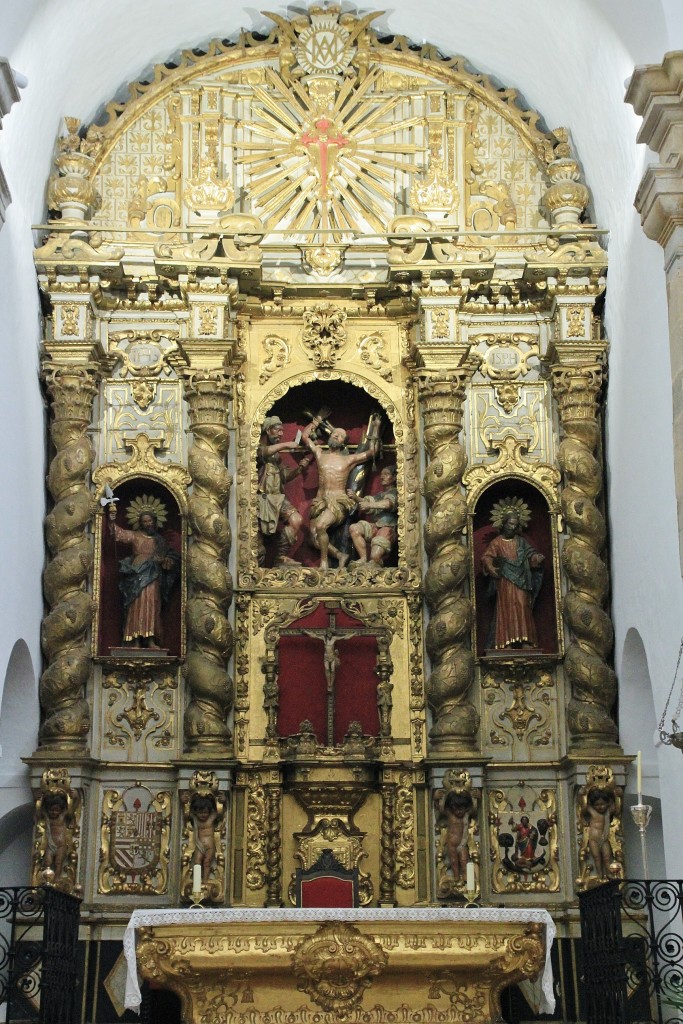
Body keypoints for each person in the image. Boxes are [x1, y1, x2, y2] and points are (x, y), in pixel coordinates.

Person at [303, 415, 378, 569]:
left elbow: (372, 452)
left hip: (338, 501)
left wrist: (375, 427)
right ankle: (339, 555)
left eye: (341, 436)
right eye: (335, 434)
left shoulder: (348, 460)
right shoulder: (319, 454)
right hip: (320, 500)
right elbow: (305, 436)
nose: (337, 436)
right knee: (312, 537)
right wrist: (316, 421)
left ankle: (323, 563)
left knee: (321, 526)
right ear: (330, 436)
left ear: (344, 442)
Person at [108, 500, 180, 648]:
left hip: (153, 576)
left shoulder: (159, 541)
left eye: (150, 521)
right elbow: (118, 533)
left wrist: (165, 561)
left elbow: (171, 557)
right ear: (140, 523)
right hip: (136, 575)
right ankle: (134, 640)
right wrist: (112, 518)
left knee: (152, 605)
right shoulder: (135, 536)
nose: (148, 524)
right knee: (136, 606)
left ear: (154, 521)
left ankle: (150, 639)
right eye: (144, 521)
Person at [481, 506, 544, 650]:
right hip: (505, 580)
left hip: (522, 580)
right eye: (510, 524)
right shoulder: (497, 542)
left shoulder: (521, 541)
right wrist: (491, 567)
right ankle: (505, 642)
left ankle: (525, 640)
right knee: (507, 608)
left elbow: (530, 555)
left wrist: (536, 558)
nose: (512, 527)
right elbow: (486, 557)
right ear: (503, 524)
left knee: (522, 605)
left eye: (515, 525)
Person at [257, 415, 313, 565]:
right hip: (261, 499)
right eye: (278, 430)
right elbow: (262, 452)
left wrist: (300, 468)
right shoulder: (257, 449)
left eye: (283, 431)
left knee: (296, 520)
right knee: (257, 543)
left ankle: (280, 557)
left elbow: (284, 476)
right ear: (268, 430)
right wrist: (287, 444)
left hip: (277, 497)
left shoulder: (276, 456)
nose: (281, 434)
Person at [349, 464, 398, 568]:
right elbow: (367, 501)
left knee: (375, 557)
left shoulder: (396, 492)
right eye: (381, 474)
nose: (382, 477)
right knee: (354, 528)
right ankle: (363, 558)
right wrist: (355, 497)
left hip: (387, 528)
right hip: (376, 527)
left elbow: (388, 503)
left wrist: (370, 505)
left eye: (386, 474)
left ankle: (376, 563)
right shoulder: (379, 495)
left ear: (394, 477)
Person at [443, 790, 473, 883]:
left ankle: (465, 877)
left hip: (462, 843)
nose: (459, 812)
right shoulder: (450, 815)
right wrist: (437, 797)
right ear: (452, 808)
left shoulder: (466, 815)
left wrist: (476, 796)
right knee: (454, 861)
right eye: (456, 809)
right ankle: (456, 877)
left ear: (466, 808)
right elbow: (441, 808)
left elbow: (474, 808)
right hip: (451, 843)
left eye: (462, 809)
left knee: (464, 860)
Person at [584, 787, 615, 880]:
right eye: (597, 805)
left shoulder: (607, 813)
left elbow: (615, 806)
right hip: (593, 838)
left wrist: (617, 794)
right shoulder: (593, 812)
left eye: (602, 804)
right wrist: (583, 794)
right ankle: (599, 874)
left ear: (607, 804)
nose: (600, 807)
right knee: (597, 857)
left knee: (607, 857)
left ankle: (609, 874)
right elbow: (584, 805)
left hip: (604, 838)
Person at [190, 793, 218, 884]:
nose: (203, 815)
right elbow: (187, 813)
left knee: (207, 863)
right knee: (197, 862)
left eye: (205, 812)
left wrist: (222, 800)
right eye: (200, 813)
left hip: (210, 846)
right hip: (199, 845)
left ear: (209, 812)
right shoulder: (195, 819)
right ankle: (197, 882)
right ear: (195, 812)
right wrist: (184, 800)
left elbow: (220, 812)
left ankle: (205, 881)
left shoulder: (211, 818)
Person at [42, 792, 69, 879]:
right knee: (47, 862)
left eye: (56, 810)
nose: (54, 812)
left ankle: (57, 879)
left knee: (58, 862)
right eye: (51, 810)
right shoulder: (48, 818)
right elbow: (40, 810)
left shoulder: (61, 817)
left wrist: (73, 797)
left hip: (61, 845)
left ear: (60, 810)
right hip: (50, 844)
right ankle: (48, 879)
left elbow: (70, 810)